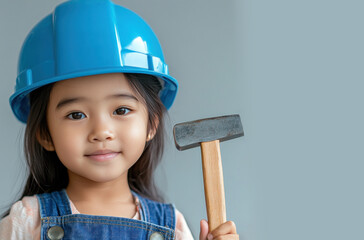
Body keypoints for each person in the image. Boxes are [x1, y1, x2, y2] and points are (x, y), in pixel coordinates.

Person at [0, 0, 239, 239]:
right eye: (76, 114)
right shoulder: (27, 221)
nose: (102, 131)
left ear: (152, 123)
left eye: (121, 110)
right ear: (44, 132)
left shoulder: (170, 227)